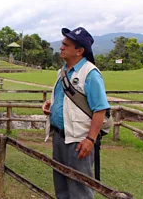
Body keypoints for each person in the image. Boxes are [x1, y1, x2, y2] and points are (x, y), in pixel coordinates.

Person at [42, 27, 110, 199]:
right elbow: (66, 101)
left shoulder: (90, 73)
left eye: (66, 44)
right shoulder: (62, 71)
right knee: (62, 186)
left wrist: (90, 139)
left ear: (80, 51)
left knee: (80, 190)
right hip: (59, 137)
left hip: (79, 141)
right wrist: (50, 105)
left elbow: (100, 109)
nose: (61, 47)